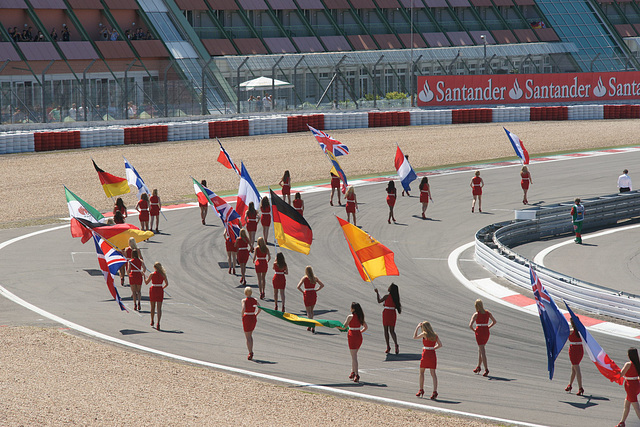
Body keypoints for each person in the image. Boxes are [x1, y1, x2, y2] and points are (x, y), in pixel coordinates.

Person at [413, 321, 442, 400]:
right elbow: (440, 345)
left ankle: (421, 389)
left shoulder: (424, 334)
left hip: (426, 354)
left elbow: (414, 337)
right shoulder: (435, 335)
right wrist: (432, 348)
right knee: (433, 373)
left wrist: (417, 327)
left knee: (422, 372)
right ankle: (434, 391)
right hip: (432, 354)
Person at [339, 302, 368, 383]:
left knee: (354, 356)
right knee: (353, 355)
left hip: (352, 336)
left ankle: (356, 374)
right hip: (358, 335)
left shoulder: (350, 316)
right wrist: (360, 332)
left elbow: (344, 327)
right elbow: (366, 327)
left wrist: (336, 325)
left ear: (353, 308)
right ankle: (352, 372)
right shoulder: (360, 317)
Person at [469, 299, 497, 377]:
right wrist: (488, 327)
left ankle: (486, 369)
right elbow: (494, 321)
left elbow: (470, 325)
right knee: (481, 349)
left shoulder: (476, 314)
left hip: (480, 331)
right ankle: (478, 366)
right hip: (486, 331)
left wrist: (475, 330)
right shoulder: (487, 313)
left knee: (482, 351)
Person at [296, 266, 325, 333]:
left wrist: (303, 292)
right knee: (311, 310)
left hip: (307, 293)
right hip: (313, 293)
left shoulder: (305, 278)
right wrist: (316, 290)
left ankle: (310, 324)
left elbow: (298, 287)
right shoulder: (315, 278)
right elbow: (322, 285)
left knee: (308, 311)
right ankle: (311, 325)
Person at [375, 283, 401, 354]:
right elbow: (396, 306)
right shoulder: (395, 297)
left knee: (386, 330)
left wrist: (377, 293)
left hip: (386, 313)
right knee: (392, 331)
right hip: (392, 313)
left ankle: (388, 346)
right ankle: (396, 344)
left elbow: (379, 301)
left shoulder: (387, 296)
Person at [618, 348, 640, 427]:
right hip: (636, 385)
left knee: (636, 407)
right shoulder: (638, 363)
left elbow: (620, 374)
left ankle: (622, 422)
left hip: (630, 387)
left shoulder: (628, 364)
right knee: (626, 405)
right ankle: (622, 422)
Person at [144, 262, 168, 331]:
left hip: (153, 289)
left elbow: (146, 282)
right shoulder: (163, 274)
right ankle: (158, 323)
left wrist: (144, 276)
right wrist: (162, 287)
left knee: (152, 307)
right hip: (160, 289)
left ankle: (152, 320)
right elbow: (167, 283)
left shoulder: (152, 274)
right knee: (159, 308)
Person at [565, 318, 584, 395]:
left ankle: (580, 387)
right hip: (580, 349)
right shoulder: (581, 331)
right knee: (574, 368)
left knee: (576, 368)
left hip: (573, 350)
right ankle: (570, 385)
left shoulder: (570, 331)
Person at [241, 287, 261, 360]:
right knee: (250, 335)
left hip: (247, 317)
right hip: (253, 317)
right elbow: (260, 308)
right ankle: (251, 351)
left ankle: (250, 352)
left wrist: (242, 315)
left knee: (247, 336)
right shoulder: (255, 300)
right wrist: (256, 314)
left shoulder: (244, 300)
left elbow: (243, 309)